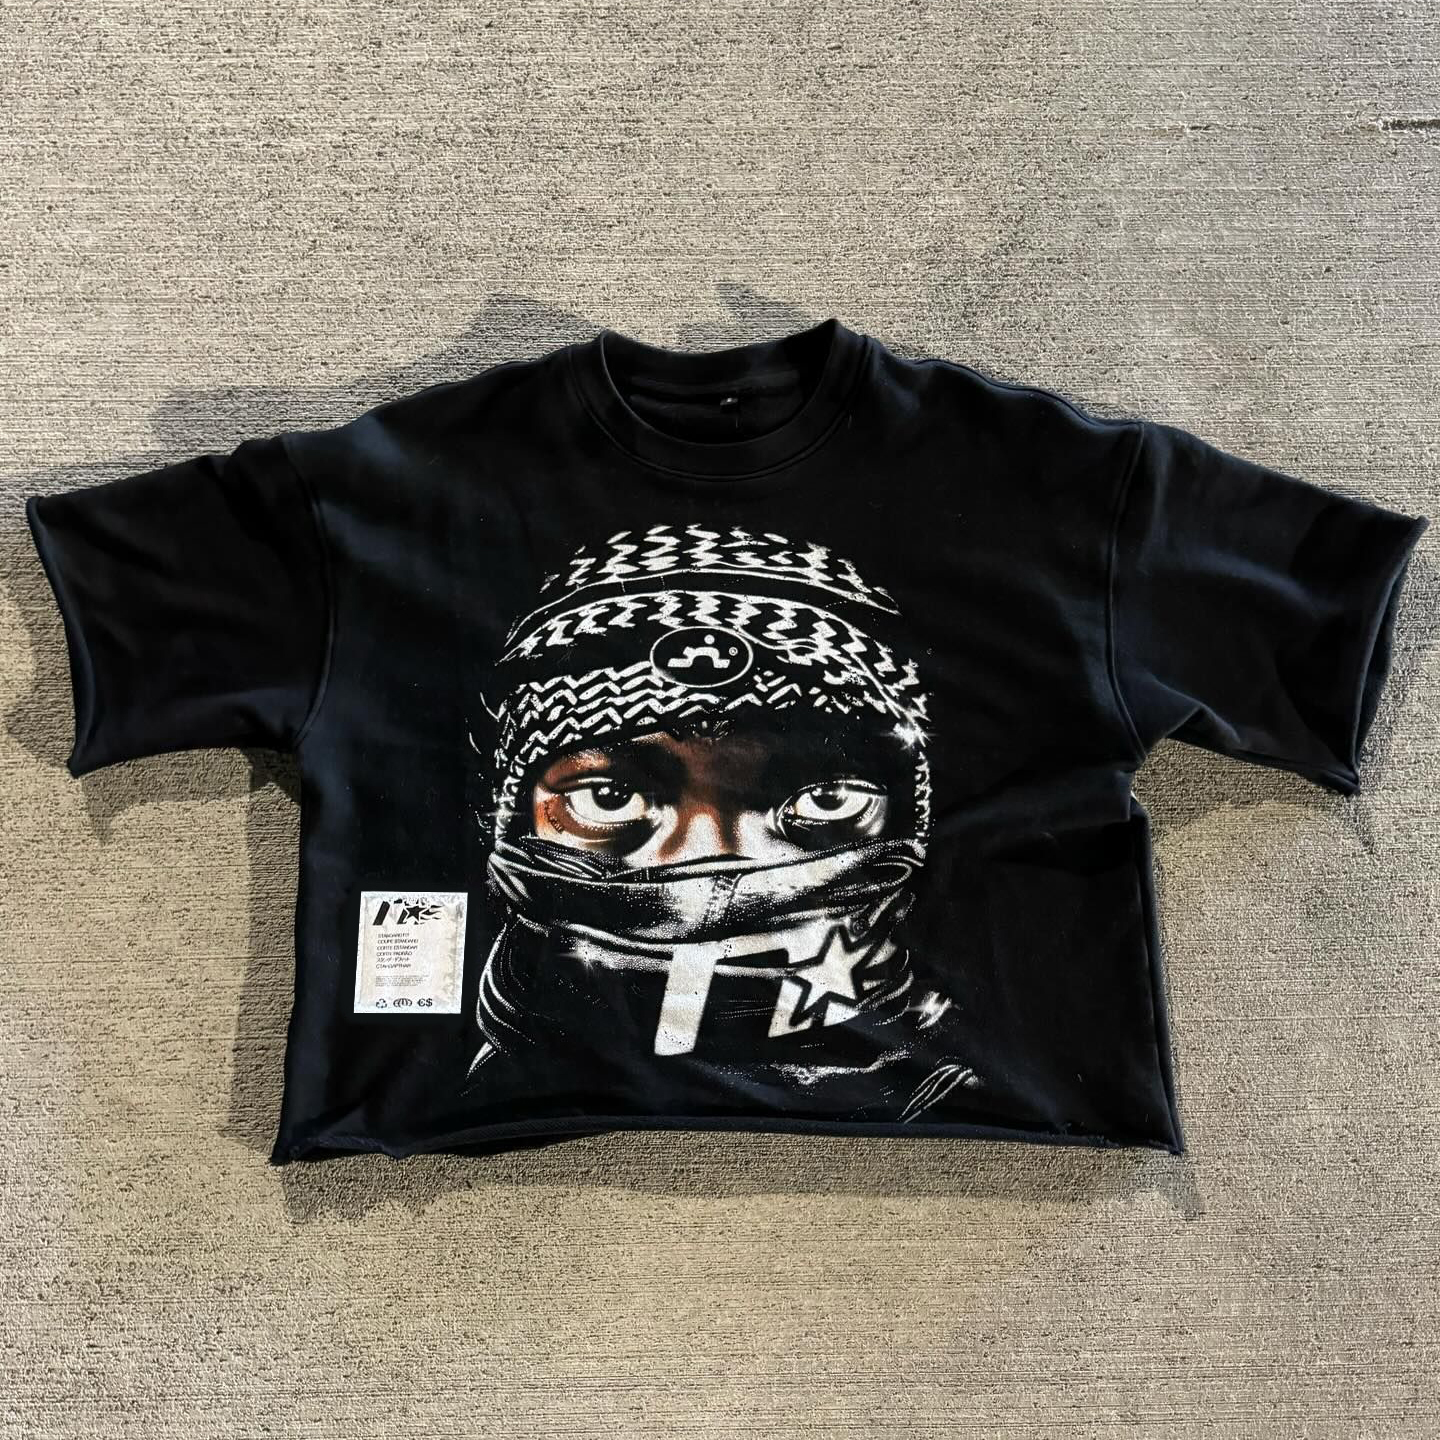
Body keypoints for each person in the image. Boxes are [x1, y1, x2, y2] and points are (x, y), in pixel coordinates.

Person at [461, 524, 982, 1123]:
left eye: (826, 798)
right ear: (514, 818)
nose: (708, 863)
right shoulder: (466, 1095)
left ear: (908, 817)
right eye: (608, 797)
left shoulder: (969, 1091)